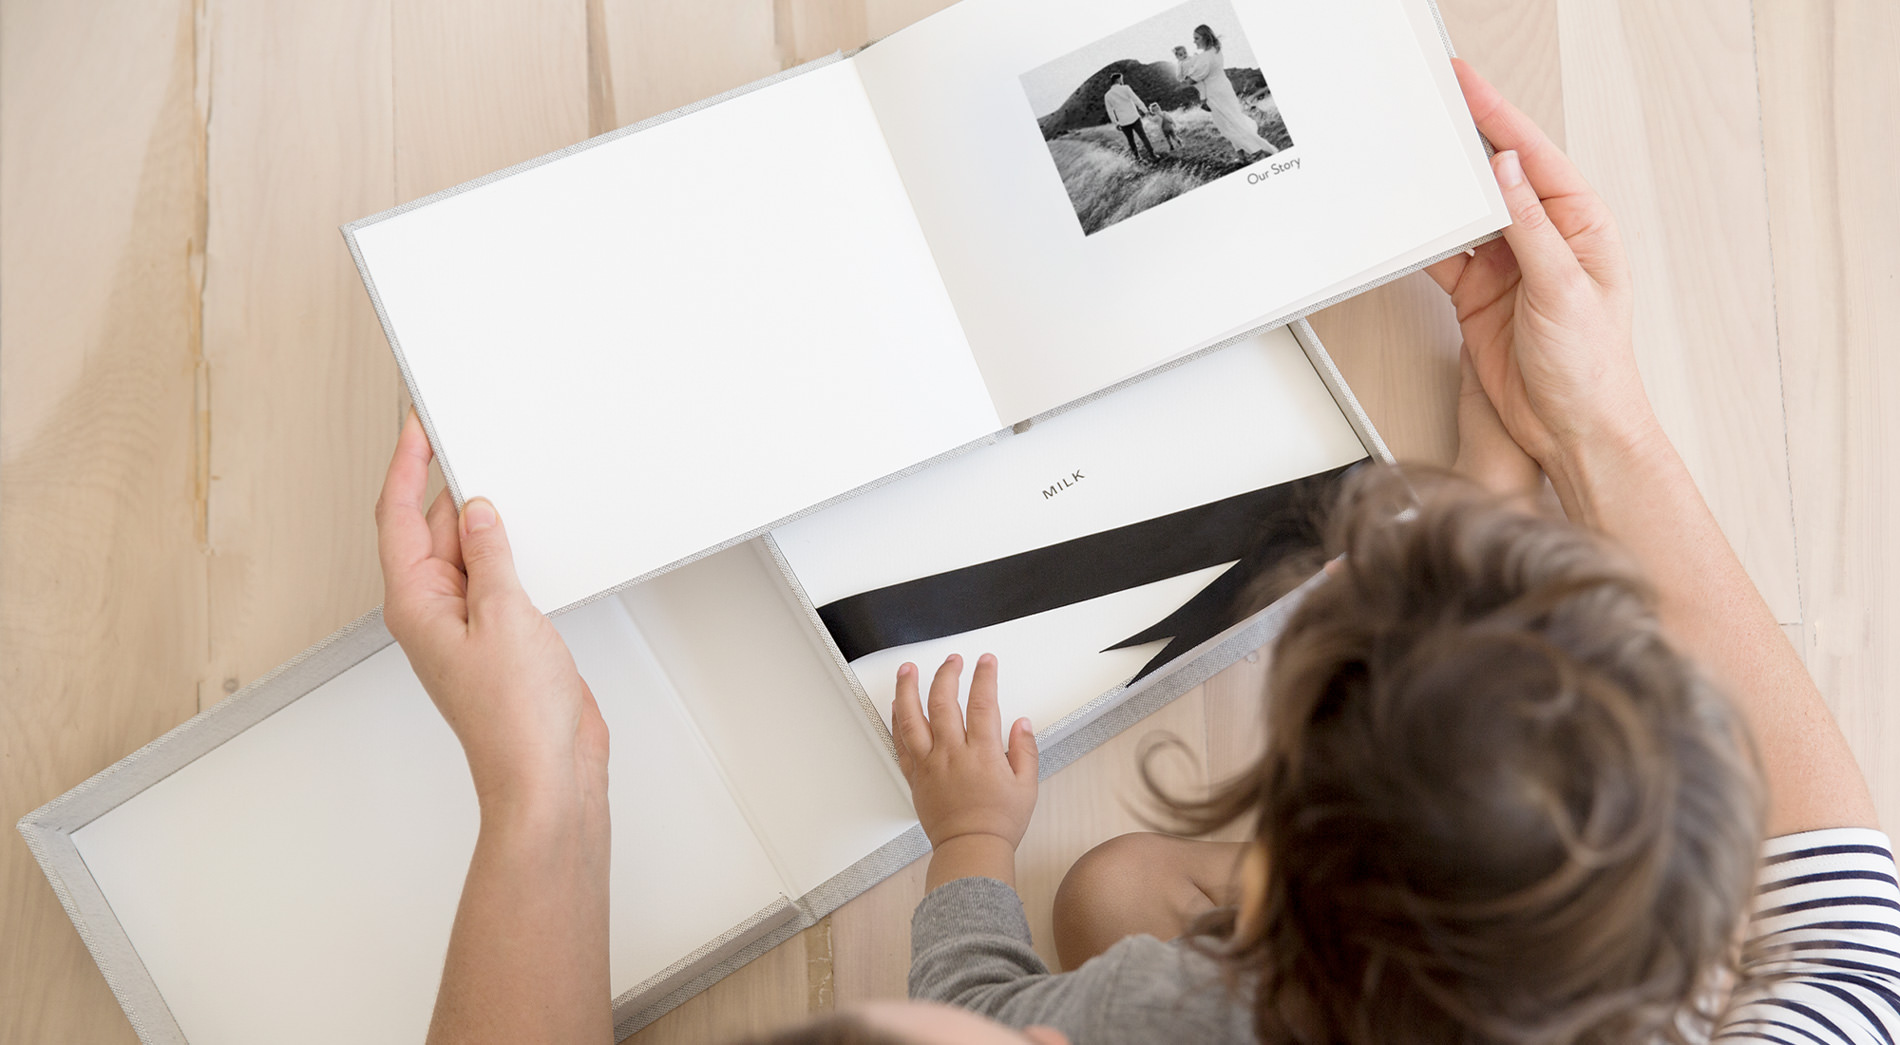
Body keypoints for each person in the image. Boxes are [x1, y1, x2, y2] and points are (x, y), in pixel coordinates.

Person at [372, 59, 1898, 1045]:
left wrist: (962, 848)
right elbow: (1849, 897)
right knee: (1111, 883)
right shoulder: (1786, 1019)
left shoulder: (1154, 1013)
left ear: (1288, 896)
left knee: (1099, 890)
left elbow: (984, 999)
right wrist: (1592, 427)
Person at [1179, 24, 1279, 164]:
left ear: (1205, 38)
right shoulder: (1216, 50)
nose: (1194, 41)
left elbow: (1190, 81)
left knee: (1226, 127)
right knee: (1234, 120)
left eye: (1196, 38)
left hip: (1215, 94)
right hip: (1225, 90)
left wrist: (1184, 75)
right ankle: (1243, 156)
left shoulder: (1204, 57)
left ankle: (1257, 151)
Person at [1100, 72, 1154, 161]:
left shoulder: (1107, 95)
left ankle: (1138, 158)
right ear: (1118, 80)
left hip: (1123, 121)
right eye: (1121, 79)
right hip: (1134, 117)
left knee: (1131, 141)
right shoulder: (1126, 88)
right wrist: (1145, 111)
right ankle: (1152, 155)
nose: (1122, 81)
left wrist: (1116, 123)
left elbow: (1110, 111)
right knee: (1143, 136)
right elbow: (1136, 100)